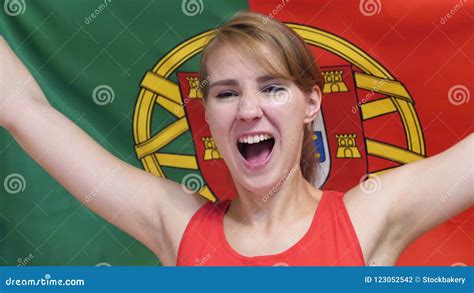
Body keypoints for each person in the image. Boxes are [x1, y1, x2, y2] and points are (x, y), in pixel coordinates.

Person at [0, 11, 472, 266]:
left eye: (272, 88)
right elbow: (24, 110)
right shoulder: (177, 224)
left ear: (311, 103)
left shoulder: (369, 215)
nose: (248, 110)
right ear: (207, 113)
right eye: (227, 93)